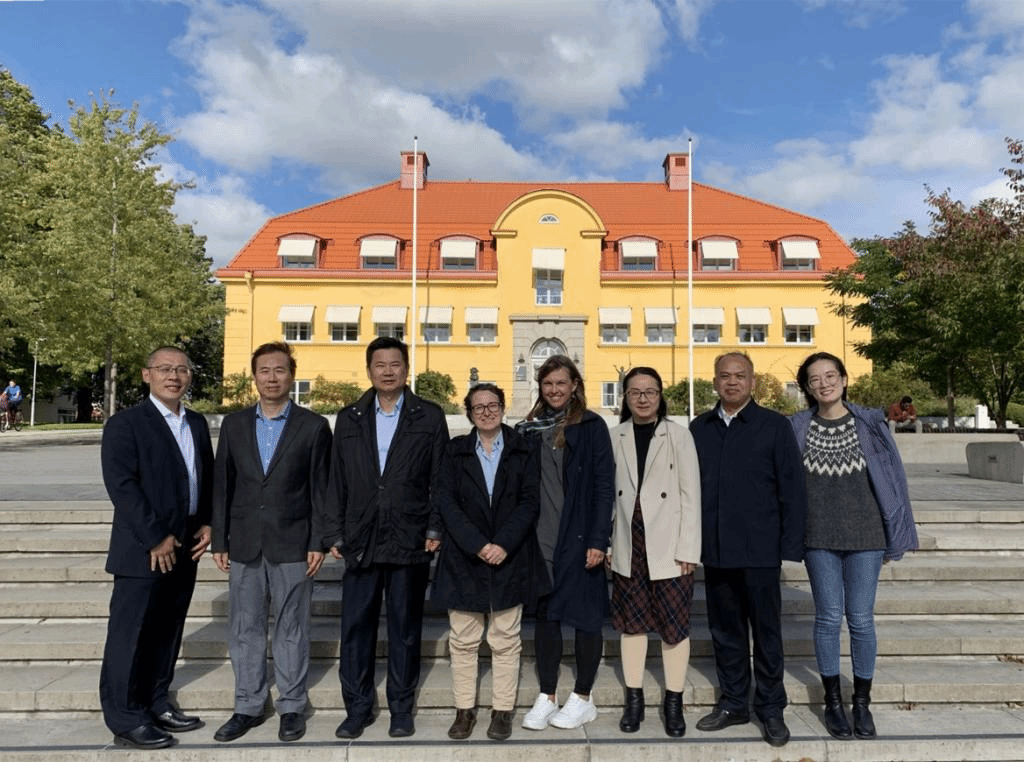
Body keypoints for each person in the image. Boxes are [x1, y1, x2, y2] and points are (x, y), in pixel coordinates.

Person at [326, 336, 449, 739]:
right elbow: (336, 480)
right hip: (360, 537)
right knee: (355, 629)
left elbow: (440, 479)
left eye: (395, 364)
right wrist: (334, 531)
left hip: (409, 537)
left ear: (406, 369)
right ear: (369, 371)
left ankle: (401, 707)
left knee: (404, 629)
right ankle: (357, 708)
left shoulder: (428, 416)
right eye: (380, 365)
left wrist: (435, 527)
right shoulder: (350, 418)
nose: (388, 371)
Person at [790, 352, 919, 739]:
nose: (824, 383)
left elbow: (893, 476)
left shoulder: (869, 423)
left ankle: (861, 703)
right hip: (818, 538)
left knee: (861, 619)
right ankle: (833, 703)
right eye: (815, 379)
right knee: (828, 618)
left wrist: (896, 532)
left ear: (844, 380)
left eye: (831, 376)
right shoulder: (797, 426)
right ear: (807, 387)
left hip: (866, 536)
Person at [210, 342, 332, 744]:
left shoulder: (313, 426)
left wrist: (318, 540)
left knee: (292, 627)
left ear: (291, 376)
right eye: (264, 370)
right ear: (254, 377)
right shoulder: (234, 425)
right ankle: (247, 705)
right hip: (244, 542)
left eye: (280, 370)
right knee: (244, 626)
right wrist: (219, 539)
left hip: (294, 543)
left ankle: (292, 705)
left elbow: (321, 489)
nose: (272, 378)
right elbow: (222, 486)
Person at [688, 352, 807, 748]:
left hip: (760, 550)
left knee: (766, 632)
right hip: (717, 549)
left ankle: (771, 707)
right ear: (715, 382)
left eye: (740, 375)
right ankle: (734, 703)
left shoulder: (774, 425)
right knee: (725, 632)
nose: (732, 382)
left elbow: (792, 488)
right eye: (725, 376)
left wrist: (789, 545)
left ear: (752, 381)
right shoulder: (700, 428)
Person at [99, 347, 214, 749]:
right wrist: (155, 536)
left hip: (185, 545)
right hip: (142, 548)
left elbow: (205, 477)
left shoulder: (196, 423)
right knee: (130, 635)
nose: (174, 376)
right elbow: (122, 485)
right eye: (165, 369)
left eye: (182, 369)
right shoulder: (125, 424)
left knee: (167, 630)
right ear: (147, 375)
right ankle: (126, 718)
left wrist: (208, 522)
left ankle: (156, 702)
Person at [432, 383, 548, 742]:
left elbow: (530, 501)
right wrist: (478, 545)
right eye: (478, 406)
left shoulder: (523, 449)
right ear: (469, 412)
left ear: (503, 407)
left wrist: (503, 544)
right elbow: (446, 502)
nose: (486, 412)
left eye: (493, 405)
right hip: (464, 557)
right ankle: (464, 710)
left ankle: (501, 711)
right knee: (463, 640)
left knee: (505, 639)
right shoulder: (454, 451)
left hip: (509, 557)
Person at [515, 355, 614, 731]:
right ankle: (548, 694)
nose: (554, 390)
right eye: (548, 383)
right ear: (540, 387)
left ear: (575, 386)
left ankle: (584, 697)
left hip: (580, 536)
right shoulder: (528, 429)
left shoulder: (591, 426)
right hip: (540, 539)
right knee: (546, 618)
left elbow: (604, 486)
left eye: (561, 383)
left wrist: (599, 539)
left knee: (586, 619)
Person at [608, 367, 701, 737]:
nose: (643, 398)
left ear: (661, 396)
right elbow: (607, 495)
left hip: (669, 545)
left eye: (650, 391)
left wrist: (688, 547)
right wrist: (608, 543)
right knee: (632, 625)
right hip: (628, 542)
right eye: (635, 392)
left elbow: (691, 495)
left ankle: (673, 702)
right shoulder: (615, 436)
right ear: (626, 397)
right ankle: (634, 700)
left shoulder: (678, 435)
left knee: (673, 626)